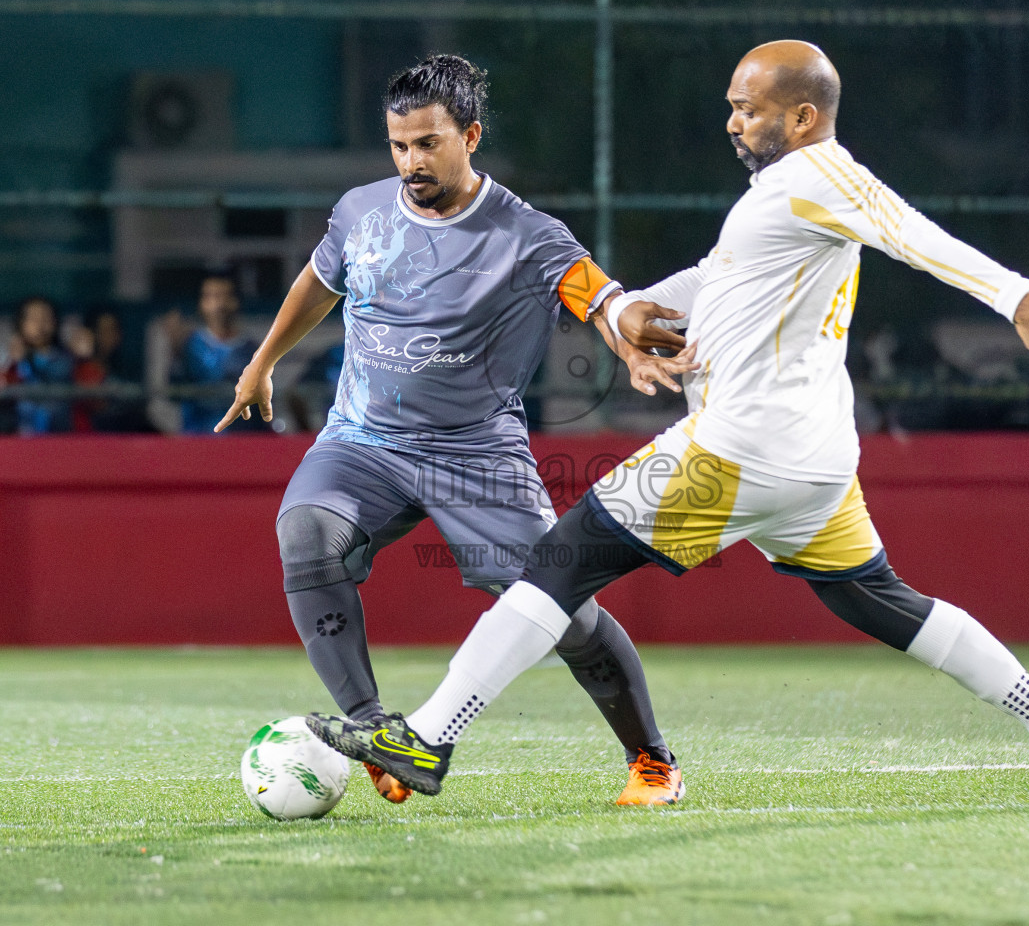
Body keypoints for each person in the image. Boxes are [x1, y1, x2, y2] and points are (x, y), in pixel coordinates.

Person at [311, 40, 1029, 807]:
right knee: (878, 599)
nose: (733, 122)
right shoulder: (780, 194)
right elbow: (718, 277)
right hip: (814, 460)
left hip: (742, 448)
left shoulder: (824, 174)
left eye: (750, 109)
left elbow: (911, 233)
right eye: (732, 107)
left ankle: (427, 739)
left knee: (557, 560)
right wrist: (633, 319)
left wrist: (1017, 297)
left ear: (803, 118)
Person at [217, 54, 691, 806]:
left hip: (475, 454)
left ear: (471, 136)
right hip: (361, 443)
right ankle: (381, 735)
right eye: (399, 146)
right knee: (305, 535)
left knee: (560, 607)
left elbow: (595, 295)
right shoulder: (360, 212)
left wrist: (625, 324)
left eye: (428, 144)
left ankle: (653, 761)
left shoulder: (526, 234)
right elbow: (319, 280)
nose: (411, 162)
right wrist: (263, 362)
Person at [170, 274, 265, 434]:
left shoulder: (253, 350)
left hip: (242, 441)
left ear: (236, 302)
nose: (219, 304)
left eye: (225, 296)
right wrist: (176, 352)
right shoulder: (189, 346)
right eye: (212, 297)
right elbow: (173, 393)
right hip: (198, 439)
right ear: (202, 303)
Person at [0, 296, 76, 435]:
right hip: (18, 436)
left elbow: (52, 382)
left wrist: (27, 357)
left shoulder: (65, 358)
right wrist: (12, 363)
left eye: (46, 318)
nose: (40, 325)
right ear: (21, 323)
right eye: (33, 319)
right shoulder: (6, 356)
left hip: (58, 436)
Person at [72, 307, 152, 433]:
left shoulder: (126, 368)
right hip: (87, 440)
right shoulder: (79, 366)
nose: (110, 337)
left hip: (119, 438)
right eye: (103, 331)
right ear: (91, 333)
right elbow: (98, 405)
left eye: (114, 330)